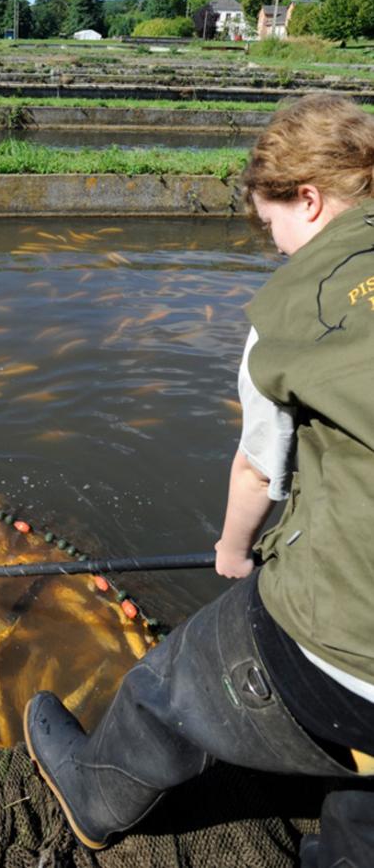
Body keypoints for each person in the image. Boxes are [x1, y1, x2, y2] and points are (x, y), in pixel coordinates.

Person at [24, 93, 374, 867]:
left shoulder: (295, 313)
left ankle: (92, 795)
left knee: (168, 686)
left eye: (271, 225)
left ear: (308, 198)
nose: (275, 248)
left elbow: (256, 468)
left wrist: (232, 550)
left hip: (358, 648)